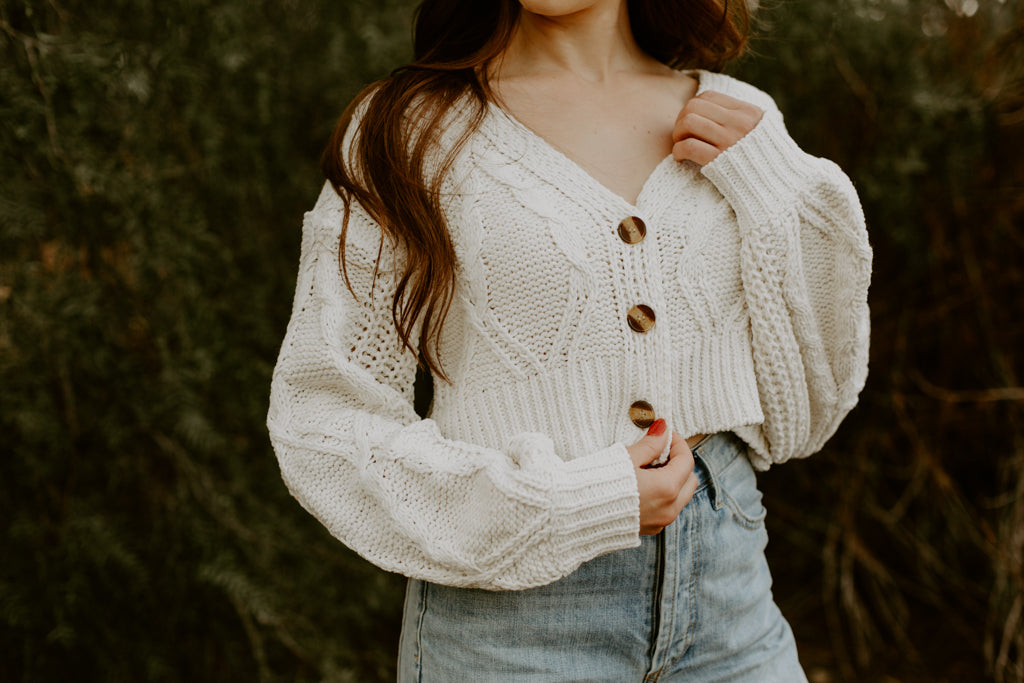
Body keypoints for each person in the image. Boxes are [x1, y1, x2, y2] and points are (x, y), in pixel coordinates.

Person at [267, 0, 871, 680]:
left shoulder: (739, 123)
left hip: (730, 603)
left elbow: (809, 410)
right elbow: (321, 420)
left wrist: (779, 187)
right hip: (512, 630)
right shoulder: (407, 133)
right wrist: (562, 507)